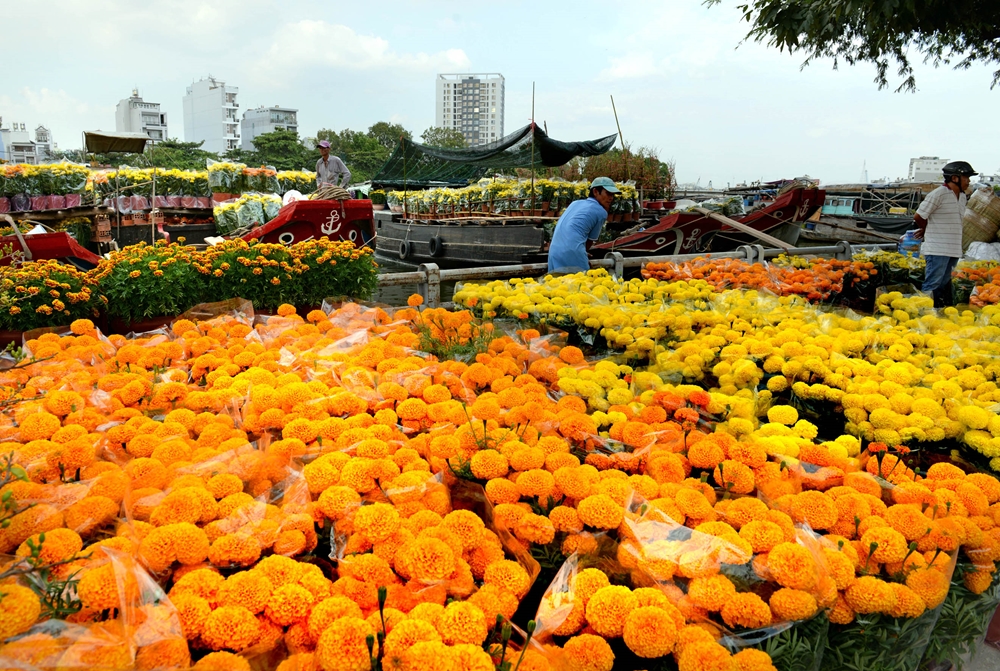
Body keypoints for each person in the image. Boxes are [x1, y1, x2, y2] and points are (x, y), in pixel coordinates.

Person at [912, 160, 976, 307]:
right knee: (933, 283)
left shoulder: (961, 196)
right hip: (937, 248)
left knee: (943, 284)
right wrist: (926, 229)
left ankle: (936, 311)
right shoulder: (939, 194)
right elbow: (919, 216)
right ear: (955, 178)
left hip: (953, 249)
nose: (969, 181)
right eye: (966, 177)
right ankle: (924, 312)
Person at [547, 177, 619, 273]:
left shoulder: (575, 203)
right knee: (581, 286)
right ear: (595, 191)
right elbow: (590, 241)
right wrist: (581, 254)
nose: (611, 198)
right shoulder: (601, 212)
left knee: (555, 285)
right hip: (573, 252)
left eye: (613, 195)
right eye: (608, 193)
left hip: (553, 252)